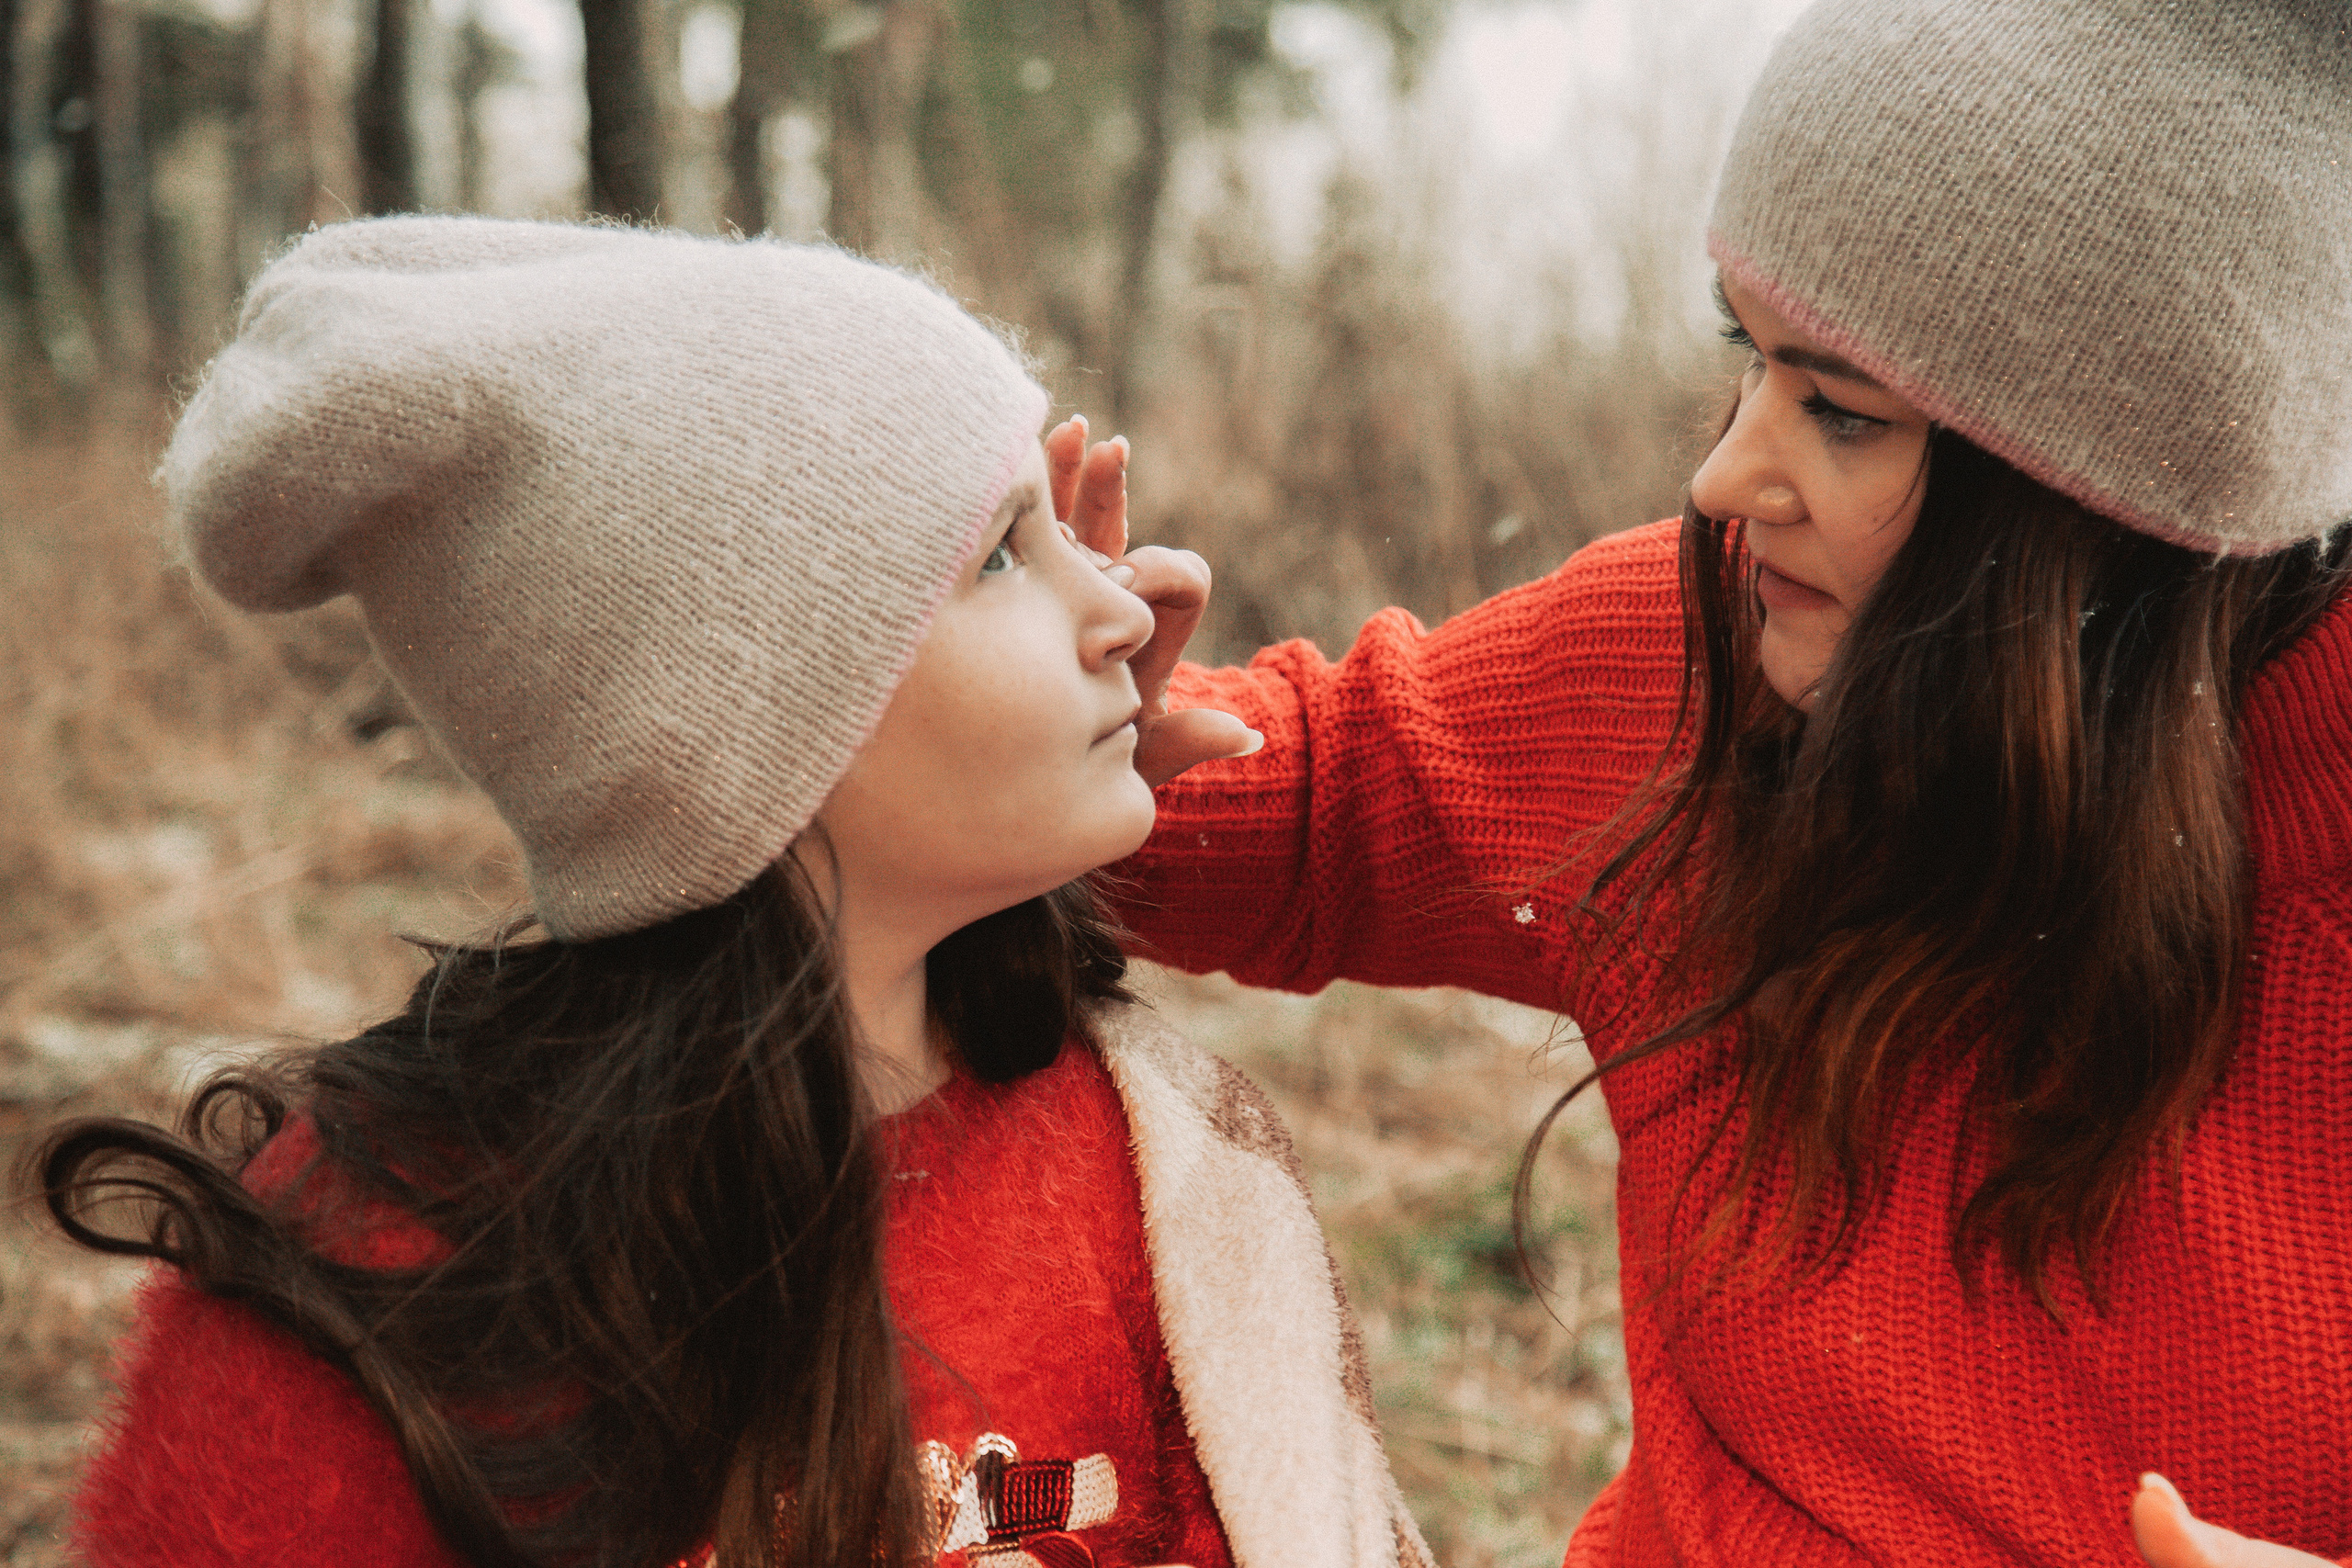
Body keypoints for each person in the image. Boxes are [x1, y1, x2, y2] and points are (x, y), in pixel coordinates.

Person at [1080, 2, 2352, 1564]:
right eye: (1747, 356)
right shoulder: (1714, 666)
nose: (1727, 475)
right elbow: (1323, 799)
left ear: (2107, 507)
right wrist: (1044, 716)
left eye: (1842, 412)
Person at [36, 217, 1422, 1568]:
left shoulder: (1160, 1179)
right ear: (736, 731)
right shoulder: (375, 1295)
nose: (1130, 607)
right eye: (1003, 553)